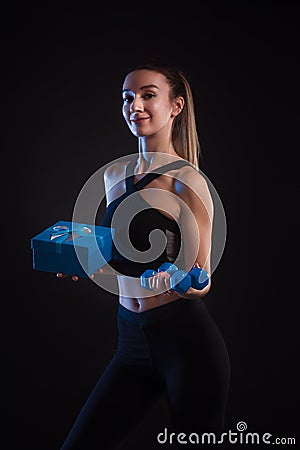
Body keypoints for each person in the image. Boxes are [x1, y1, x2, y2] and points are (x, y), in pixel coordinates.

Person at [58, 62, 231, 449]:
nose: (134, 104)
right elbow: (120, 257)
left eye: (148, 95)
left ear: (175, 106)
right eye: (128, 97)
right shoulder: (113, 175)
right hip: (130, 342)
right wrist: (82, 262)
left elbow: (203, 278)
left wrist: (181, 281)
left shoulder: (188, 181)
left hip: (186, 345)